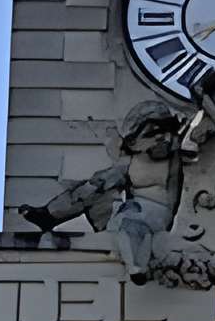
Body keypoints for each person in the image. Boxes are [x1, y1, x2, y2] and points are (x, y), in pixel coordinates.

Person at [19, 101, 186, 282]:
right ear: (135, 141)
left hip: (156, 215)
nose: (163, 138)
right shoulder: (133, 162)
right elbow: (104, 180)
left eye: (167, 130)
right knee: (98, 187)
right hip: (128, 212)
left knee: (132, 224)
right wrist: (93, 187)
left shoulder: (178, 158)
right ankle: (50, 215)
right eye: (154, 133)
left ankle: (138, 268)